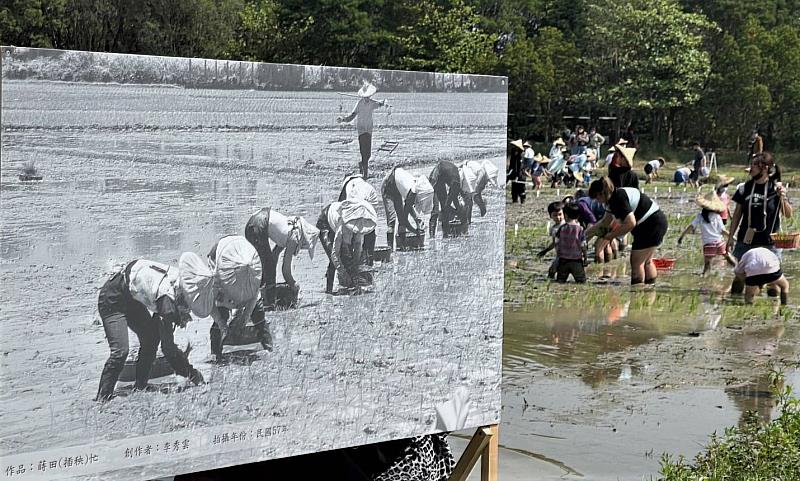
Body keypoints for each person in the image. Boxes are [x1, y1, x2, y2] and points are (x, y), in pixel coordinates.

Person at [96, 253, 208, 401]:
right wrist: (192, 374)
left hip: (131, 299)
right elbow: (168, 348)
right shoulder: (167, 302)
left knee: (150, 339)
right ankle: (103, 398)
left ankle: (140, 386)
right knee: (120, 351)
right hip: (111, 299)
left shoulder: (181, 279)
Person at [727, 152, 793, 293]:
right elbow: (737, 215)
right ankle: (734, 302)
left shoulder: (775, 189)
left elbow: (788, 214)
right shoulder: (744, 188)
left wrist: (783, 198)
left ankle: (773, 311)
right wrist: (730, 236)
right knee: (740, 276)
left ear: (765, 168)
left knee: (772, 282)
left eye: (754, 165)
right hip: (746, 240)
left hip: (770, 242)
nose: (750, 168)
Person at [586, 177, 669, 286]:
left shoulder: (618, 199)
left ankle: (637, 293)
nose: (597, 201)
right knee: (647, 262)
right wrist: (584, 235)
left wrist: (611, 235)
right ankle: (649, 291)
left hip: (650, 225)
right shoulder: (613, 197)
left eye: (596, 198)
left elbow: (630, 223)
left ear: (601, 193)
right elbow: (605, 222)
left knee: (636, 263)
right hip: (657, 221)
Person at [207, 236, 271, 361]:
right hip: (220, 254)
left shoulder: (253, 272)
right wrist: (222, 325)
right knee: (222, 313)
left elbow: (253, 299)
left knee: (258, 314)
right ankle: (216, 353)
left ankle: (268, 348)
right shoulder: (217, 278)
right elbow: (210, 305)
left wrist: (243, 319)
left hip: (241, 251)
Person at [244, 208, 319, 309]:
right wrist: (293, 285)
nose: (303, 247)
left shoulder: (291, 229)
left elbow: (274, 255)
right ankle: (269, 304)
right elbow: (285, 270)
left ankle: (257, 300)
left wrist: (270, 276)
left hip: (253, 223)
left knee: (264, 267)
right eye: (305, 245)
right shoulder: (294, 238)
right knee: (267, 268)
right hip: (259, 225)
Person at [317, 199, 378, 294]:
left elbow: (358, 248)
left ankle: (352, 285)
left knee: (348, 256)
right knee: (333, 259)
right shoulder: (342, 228)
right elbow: (334, 254)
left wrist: (355, 267)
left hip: (337, 223)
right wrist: (343, 272)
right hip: (325, 222)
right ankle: (329, 291)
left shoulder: (359, 224)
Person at [677, 191, 737, 275]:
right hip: (719, 242)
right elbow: (723, 231)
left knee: (707, 267)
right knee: (728, 257)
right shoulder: (717, 216)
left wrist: (681, 236)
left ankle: (704, 282)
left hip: (709, 244)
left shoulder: (700, 216)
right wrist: (733, 238)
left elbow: (691, 227)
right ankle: (738, 269)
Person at [337, 81, 386, 179]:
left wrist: (384, 103)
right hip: (361, 130)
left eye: (368, 96)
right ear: (363, 96)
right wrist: (343, 119)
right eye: (365, 96)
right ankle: (365, 175)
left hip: (369, 130)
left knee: (368, 154)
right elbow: (352, 115)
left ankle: (362, 165)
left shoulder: (372, 103)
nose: (367, 98)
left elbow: (380, 104)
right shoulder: (359, 104)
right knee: (364, 152)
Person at [382, 166, 434, 245]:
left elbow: (408, 207)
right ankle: (390, 250)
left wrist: (417, 219)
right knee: (392, 221)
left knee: (401, 220)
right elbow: (405, 219)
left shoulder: (415, 189)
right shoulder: (412, 193)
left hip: (396, 189)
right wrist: (415, 231)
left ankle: (401, 245)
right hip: (388, 186)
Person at [339, 173, 381, 263]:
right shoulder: (365, 184)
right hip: (371, 196)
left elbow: (341, 208)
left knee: (353, 231)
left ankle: (354, 260)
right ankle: (368, 257)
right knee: (370, 224)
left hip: (358, 198)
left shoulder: (349, 185)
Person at [429, 160, 467, 237]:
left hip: (441, 177)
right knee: (436, 208)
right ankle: (432, 235)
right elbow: (448, 204)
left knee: (444, 207)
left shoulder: (456, 183)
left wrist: (457, 211)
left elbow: (453, 200)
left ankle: (445, 232)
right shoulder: (456, 184)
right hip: (435, 178)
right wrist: (458, 212)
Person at [554, 202, 587, 283]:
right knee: (581, 281)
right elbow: (583, 245)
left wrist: (558, 254)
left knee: (560, 280)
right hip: (576, 260)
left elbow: (556, 242)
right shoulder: (580, 229)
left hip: (563, 260)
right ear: (578, 216)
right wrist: (585, 257)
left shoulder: (561, 228)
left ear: (565, 215)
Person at [537, 201, 565, 279]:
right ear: (550, 216)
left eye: (560, 214)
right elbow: (554, 243)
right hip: (559, 254)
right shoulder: (553, 229)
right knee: (553, 271)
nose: (558, 217)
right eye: (555, 215)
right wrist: (546, 250)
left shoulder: (567, 225)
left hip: (567, 253)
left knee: (553, 270)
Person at [507, 139, 527, 203]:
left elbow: (519, 166)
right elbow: (512, 165)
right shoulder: (514, 154)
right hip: (513, 173)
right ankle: (514, 199)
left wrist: (518, 175)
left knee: (521, 187)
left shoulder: (521, 155)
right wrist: (509, 174)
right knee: (514, 187)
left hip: (520, 174)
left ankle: (522, 200)